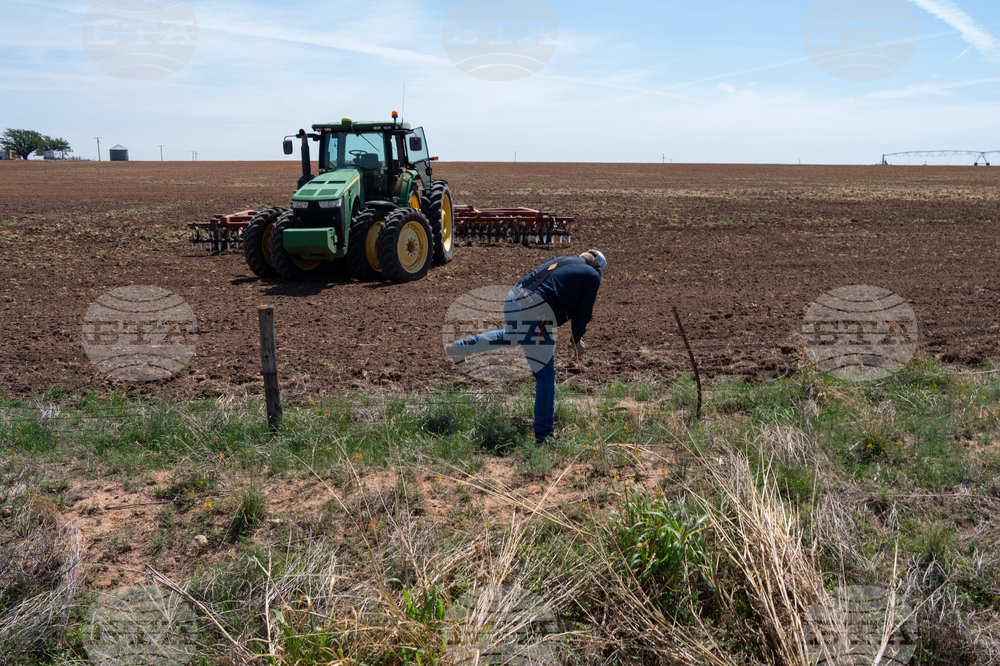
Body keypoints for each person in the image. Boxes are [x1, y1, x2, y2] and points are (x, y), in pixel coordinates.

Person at [447, 250, 606, 443]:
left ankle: (460, 348)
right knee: (546, 375)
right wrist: (576, 341)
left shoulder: (564, 260)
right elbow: (583, 314)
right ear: (598, 269)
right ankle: (544, 436)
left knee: (511, 336)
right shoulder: (592, 276)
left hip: (514, 299)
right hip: (535, 313)